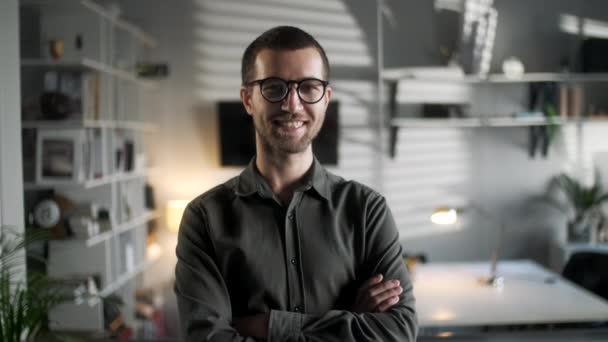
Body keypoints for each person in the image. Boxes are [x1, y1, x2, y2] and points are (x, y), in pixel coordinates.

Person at [174, 26, 417, 341]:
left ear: (325, 99)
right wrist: (351, 321)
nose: (292, 104)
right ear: (248, 99)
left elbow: (398, 332)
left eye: (309, 87)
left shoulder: (367, 209)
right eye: (274, 88)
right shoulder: (204, 218)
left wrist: (267, 325)